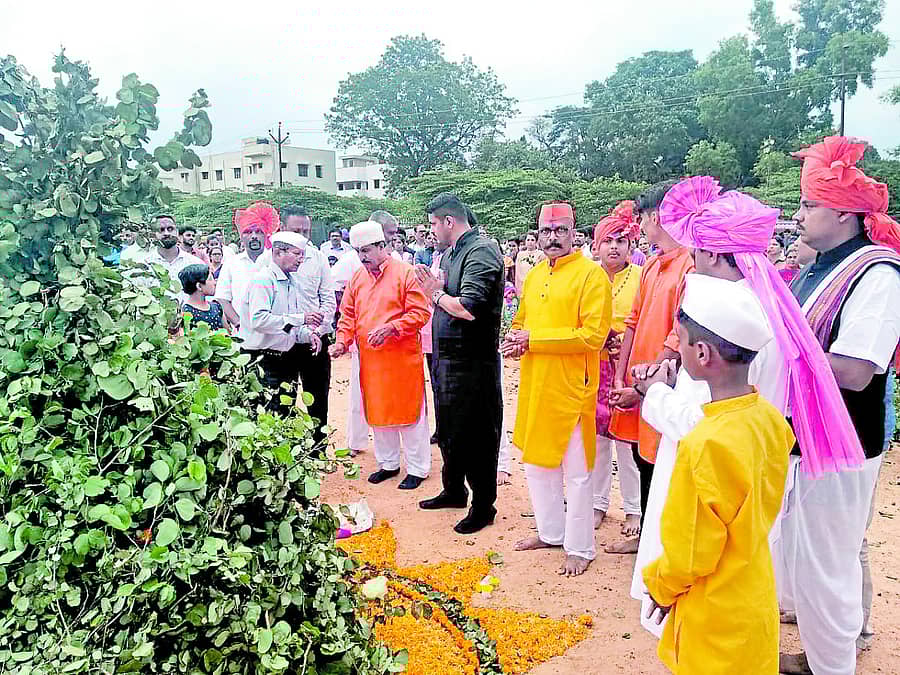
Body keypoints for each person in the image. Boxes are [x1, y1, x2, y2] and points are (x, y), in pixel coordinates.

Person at [634, 175, 867, 641]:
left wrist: (654, 395)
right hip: (747, 481)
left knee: (700, 614)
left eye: (696, 255)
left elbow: (703, 424)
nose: (691, 266)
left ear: (717, 255)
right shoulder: (761, 304)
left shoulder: (727, 314)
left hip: (713, 483)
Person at [777, 137, 900, 675]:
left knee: (828, 565)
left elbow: (854, 369)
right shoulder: (817, 267)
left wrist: (774, 361)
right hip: (801, 439)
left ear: (845, 214)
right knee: (804, 562)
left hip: (842, 445)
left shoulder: (877, 274)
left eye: (809, 205)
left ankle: (833, 667)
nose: (798, 214)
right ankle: (823, 656)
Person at [642, 274, 793, 675]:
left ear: (703, 353)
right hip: (753, 597)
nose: (677, 349)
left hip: (714, 614)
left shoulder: (704, 443)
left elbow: (691, 552)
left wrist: (660, 587)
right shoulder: (769, 420)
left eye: (681, 340)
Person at [503, 201, 612, 576]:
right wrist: (516, 338)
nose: (553, 238)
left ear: (573, 234)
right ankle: (550, 532)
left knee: (577, 473)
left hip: (572, 389)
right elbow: (522, 319)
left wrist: (534, 339)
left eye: (560, 231)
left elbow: (593, 336)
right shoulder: (534, 276)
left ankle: (580, 546)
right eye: (547, 231)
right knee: (536, 463)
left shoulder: (591, 276)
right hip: (536, 384)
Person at [606, 181, 694, 555]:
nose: (639, 226)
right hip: (641, 383)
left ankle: (660, 550)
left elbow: (680, 335)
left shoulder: (690, 264)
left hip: (665, 386)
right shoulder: (653, 265)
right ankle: (646, 540)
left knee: (663, 464)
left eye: (642, 218)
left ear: (657, 216)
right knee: (644, 458)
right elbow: (633, 322)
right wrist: (624, 376)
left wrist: (645, 383)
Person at [416, 193, 505, 534]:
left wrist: (434, 294)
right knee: (451, 431)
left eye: (434, 224)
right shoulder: (453, 253)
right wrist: (438, 286)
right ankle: (454, 490)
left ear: (449, 222)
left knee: (478, 436)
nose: (432, 231)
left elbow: (469, 308)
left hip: (472, 364)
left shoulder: (480, 251)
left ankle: (483, 506)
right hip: (447, 361)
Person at [330, 221, 432, 489]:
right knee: (377, 411)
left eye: (366, 251)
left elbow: (420, 313)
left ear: (382, 246)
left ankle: (418, 468)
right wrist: (342, 341)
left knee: (410, 413)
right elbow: (348, 315)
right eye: (358, 252)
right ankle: (388, 464)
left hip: (402, 359)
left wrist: (392, 328)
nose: (362, 257)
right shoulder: (357, 278)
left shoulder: (405, 273)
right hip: (372, 361)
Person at [591, 201, 643, 534]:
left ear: (631, 245)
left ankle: (634, 510)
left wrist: (623, 338)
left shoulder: (641, 276)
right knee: (595, 442)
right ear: (596, 246)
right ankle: (597, 504)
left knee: (627, 444)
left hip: (628, 370)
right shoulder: (587, 276)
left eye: (621, 240)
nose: (614, 246)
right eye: (608, 240)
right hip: (593, 369)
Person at [245, 231, 325, 414]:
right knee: (268, 416)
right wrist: (302, 318)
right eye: (297, 254)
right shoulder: (263, 280)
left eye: (302, 255)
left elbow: (286, 323)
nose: (301, 260)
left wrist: (308, 334)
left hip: (286, 359)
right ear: (278, 252)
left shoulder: (291, 281)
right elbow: (259, 320)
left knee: (285, 414)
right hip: (263, 361)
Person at [280, 203, 337, 447]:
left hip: (315, 340)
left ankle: (318, 449)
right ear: (282, 228)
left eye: (305, 232)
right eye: (295, 231)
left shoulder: (318, 258)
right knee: (284, 398)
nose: (301, 237)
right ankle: (286, 452)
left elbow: (328, 300)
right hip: (283, 341)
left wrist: (314, 331)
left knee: (318, 396)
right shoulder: (267, 261)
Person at [214, 202, 279, 341]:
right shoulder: (231, 263)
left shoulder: (276, 262)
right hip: (243, 335)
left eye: (259, 231)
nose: (254, 236)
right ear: (242, 237)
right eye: (248, 232)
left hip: (275, 335)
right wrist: (239, 323)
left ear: (266, 235)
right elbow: (222, 299)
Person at [143, 215, 204, 294]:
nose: (166, 233)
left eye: (170, 229)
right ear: (152, 235)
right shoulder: (145, 265)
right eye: (161, 230)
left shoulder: (195, 263)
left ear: (177, 232)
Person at [178, 263, 224, 330]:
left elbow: (227, 334)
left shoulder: (217, 306)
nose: (214, 283)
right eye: (210, 279)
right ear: (199, 286)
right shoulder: (186, 313)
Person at [514, 230, 545, 296]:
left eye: (532, 240)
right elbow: (518, 272)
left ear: (536, 241)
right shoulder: (520, 254)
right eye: (528, 240)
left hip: (536, 284)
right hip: (522, 283)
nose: (530, 242)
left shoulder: (541, 254)